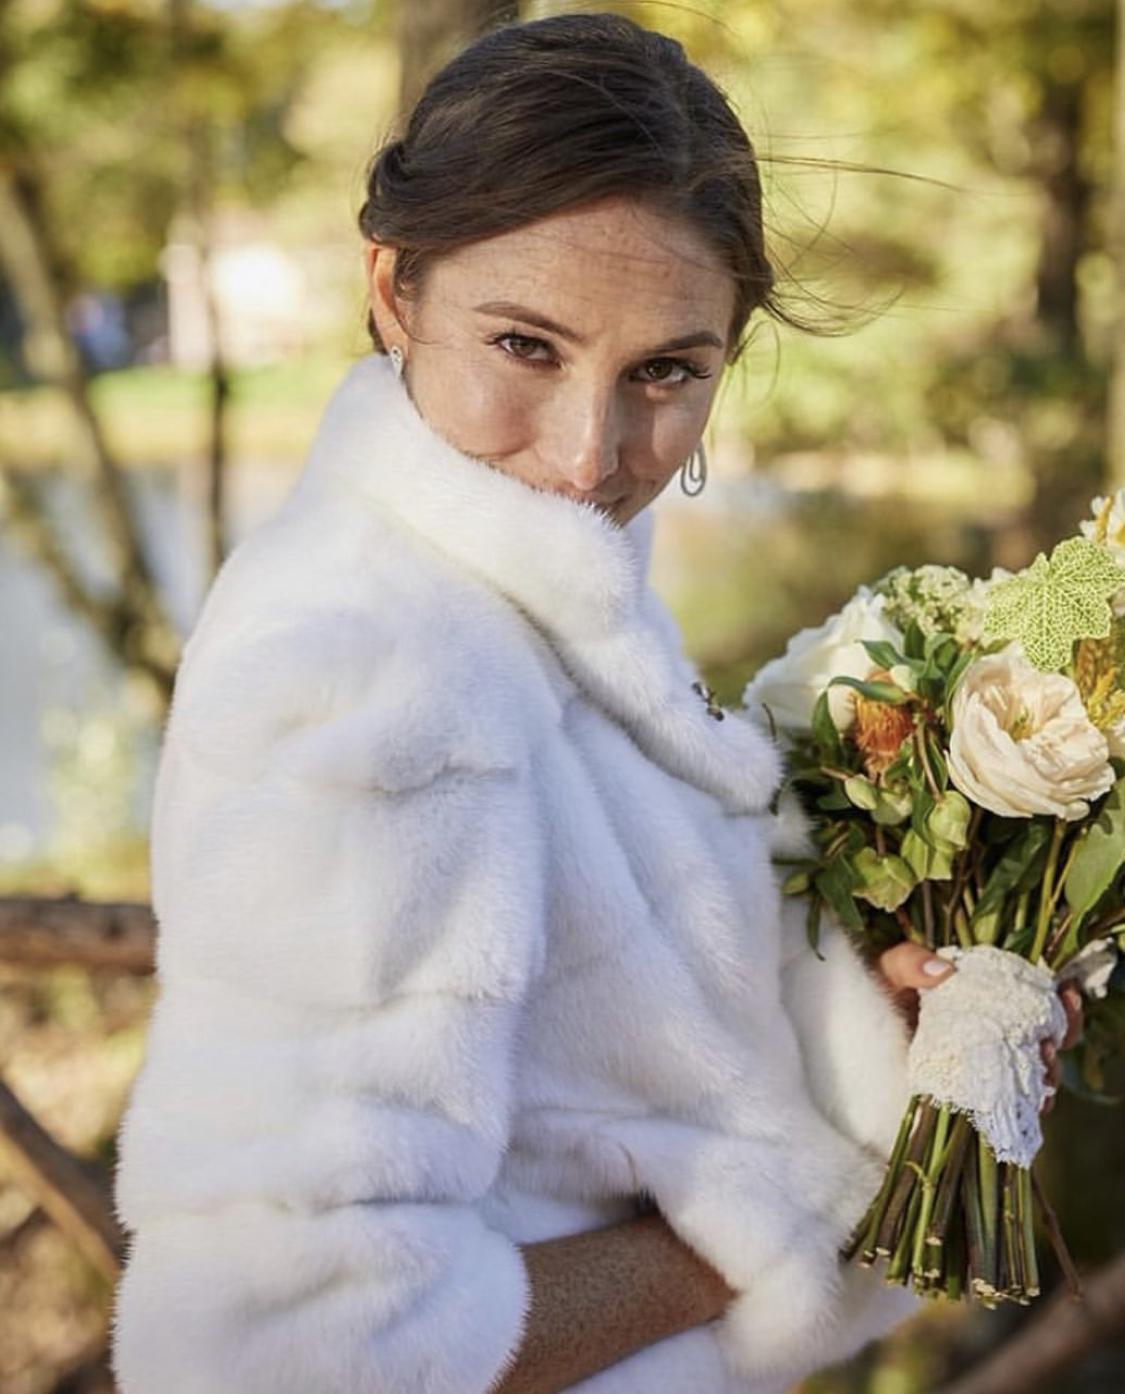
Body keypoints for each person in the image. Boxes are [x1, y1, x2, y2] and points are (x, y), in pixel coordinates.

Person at [108, 12, 1082, 1394]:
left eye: (665, 372)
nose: (586, 456)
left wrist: (868, 1041)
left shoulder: (540, 605)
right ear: (391, 288)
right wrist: (762, 1220)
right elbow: (285, 1347)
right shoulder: (378, 678)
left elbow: (585, 1097)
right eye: (525, 345)